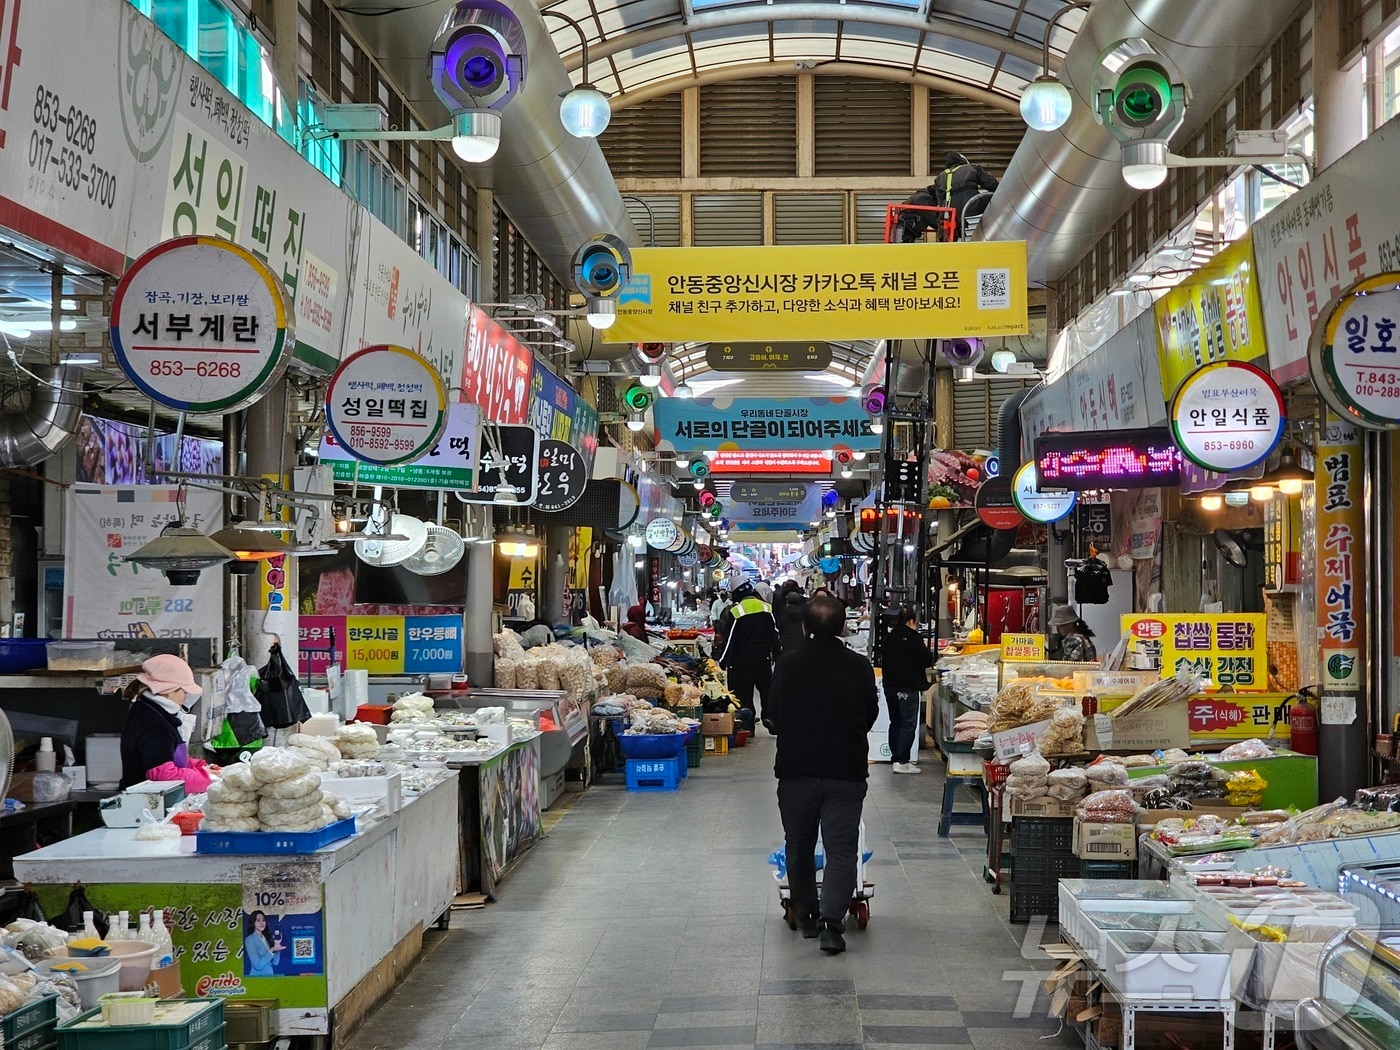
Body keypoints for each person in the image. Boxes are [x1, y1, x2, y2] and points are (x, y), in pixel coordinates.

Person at [769, 596, 879, 954]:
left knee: (798, 844)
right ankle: (834, 926)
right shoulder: (860, 666)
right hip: (845, 772)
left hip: (797, 770)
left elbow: (771, 717)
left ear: (805, 627)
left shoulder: (787, 666)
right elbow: (869, 715)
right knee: (841, 848)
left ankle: (807, 917)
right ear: (843, 626)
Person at [119, 653, 214, 792]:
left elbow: (171, 759)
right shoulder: (152, 723)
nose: (185, 695)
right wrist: (208, 778)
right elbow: (164, 776)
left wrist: (201, 768)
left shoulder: (155, 712)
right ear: (167, 692)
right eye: (184, 690)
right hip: (145, 805)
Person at [717, 581, 781, 732]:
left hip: (741, 660)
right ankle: (770, 718)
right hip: (763, 658)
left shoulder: (736, 611)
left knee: (744, 693)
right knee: (766, 689)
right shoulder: (766, 608)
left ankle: (748, 726)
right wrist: (779, 657)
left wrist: (722, 661)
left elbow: (730, 639)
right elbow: (774, 635)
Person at [880, 607, 934, 774]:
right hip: (908, 688)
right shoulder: (913, 638)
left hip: (889, 686)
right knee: (908, 724)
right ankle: (902, 761)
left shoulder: (888, 638)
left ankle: (895, 757)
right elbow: (926, 660)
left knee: (895, 722)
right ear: (911, 621)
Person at [930, 152, 1000, 238]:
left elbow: (940, 205)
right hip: (973, 205)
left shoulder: (939, 178)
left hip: (953, 213)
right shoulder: (973, 168)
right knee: (996, 195)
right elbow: (993, 185)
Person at [244, 910, 282, 977]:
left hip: (270, 977)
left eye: (263, 920)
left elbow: (275, 963)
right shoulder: (249, 940)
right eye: (258, 920)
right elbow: (258, 966)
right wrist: (271, 950)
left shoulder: (267, 937)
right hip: (257, 978)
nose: (261, 923)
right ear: (253, 922)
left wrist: (277, 948)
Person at [776, 584, 809, 654]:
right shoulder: (804, 611)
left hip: (786, 642)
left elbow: (779, 626)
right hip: (800, 641)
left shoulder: (784, 612)